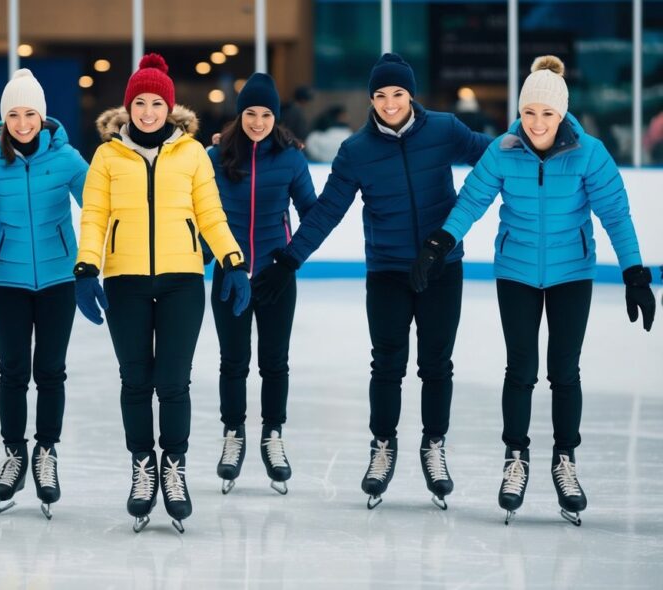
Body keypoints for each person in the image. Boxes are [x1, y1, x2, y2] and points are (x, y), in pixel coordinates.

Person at [410, 56, 656, 526]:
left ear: (561, 113)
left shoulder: (589, 153)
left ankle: (565, 460)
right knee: (520, 368)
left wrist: (634, 274)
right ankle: (515, 458)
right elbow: (472, 202)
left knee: (564, 370)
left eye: (546, 113)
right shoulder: (503, 150)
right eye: (529, 113)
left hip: (571, 272)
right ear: (519, 113)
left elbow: (616, 216)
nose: (537, 122)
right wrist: (439, 243)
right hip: (517, 271)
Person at [252, 53, 492, 510]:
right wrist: (288, 259)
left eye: (397, 94)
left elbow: (496, 155)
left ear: (410, 95)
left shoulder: (444, 130)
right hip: (386, 271)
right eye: (380, 95)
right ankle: (382, 447)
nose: (388, 103)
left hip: (441, 267)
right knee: (387, 364)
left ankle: (434, 447)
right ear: (371, 99)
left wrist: (546, 135)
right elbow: (326, 211)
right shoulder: (356, 151)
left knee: (437, 363)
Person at [73, 53, 250, 533]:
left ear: (169, 108)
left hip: (182, 281)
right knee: (135, 381)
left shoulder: (191, 154)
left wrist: (232, 259)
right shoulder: (108, 155)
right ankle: (142, 466)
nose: (147, 112)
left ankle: (174, 467)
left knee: (173, 381)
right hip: (124, 280)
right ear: (127, 107)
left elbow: (211, 212)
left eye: (156, 103)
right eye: (140, 103)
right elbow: (92, 214)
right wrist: (86, 266)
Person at [0, 69, 89, 519]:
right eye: (14, 114)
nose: (23, 122)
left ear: (43, 116)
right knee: (13, 371)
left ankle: (46, 453)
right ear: (3, 119)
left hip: (59, 281)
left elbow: (99, 206)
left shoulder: (68, 159)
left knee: (51, 371)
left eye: (30, 113)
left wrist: (94, 261)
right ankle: (15, 454)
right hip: (9, 284)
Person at [206, 73, 317, 496]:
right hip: (229, 275)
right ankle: (233, 436)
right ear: (240, 114)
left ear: (276, 116)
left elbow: (312, 212)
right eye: (250, 113)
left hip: (275, 276)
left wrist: (290, 262)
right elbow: (198, 208)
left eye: (266, 113)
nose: (257, 121)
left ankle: (273, 436)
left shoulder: (290, 158)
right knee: (233, 361)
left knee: (275, 362)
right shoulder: (216, 155)